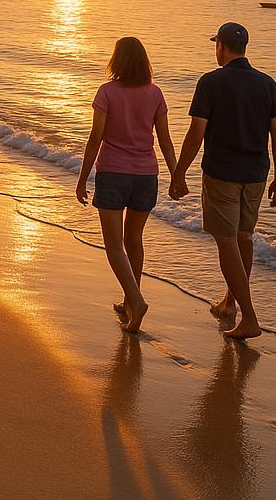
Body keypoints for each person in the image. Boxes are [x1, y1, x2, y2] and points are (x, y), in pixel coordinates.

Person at [169, 22, 276, 340]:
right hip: (256, 175)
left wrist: (179, 173)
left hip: (222, 173)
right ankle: (230, 304)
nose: (215, 50)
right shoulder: (267, 84)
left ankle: (249, 317)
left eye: (216, 44)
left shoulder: (211, 82)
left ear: (221, 46)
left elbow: (196, 133)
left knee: (226, 241)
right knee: (244, 237)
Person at [77, 37, 176, 334]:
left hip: (113, 174)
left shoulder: (107, 92)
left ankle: (136, 299)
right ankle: (130, 301)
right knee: (134, 241)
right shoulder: (155, 93)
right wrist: (177, 174)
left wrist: (82, 178)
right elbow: (165, 139)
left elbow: (96, 137)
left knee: (114, 245)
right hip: (146, 176)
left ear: (116, 61)